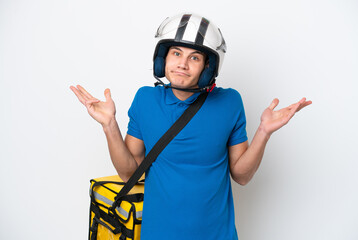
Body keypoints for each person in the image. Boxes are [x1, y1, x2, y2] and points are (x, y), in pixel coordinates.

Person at [70, 13, 311, 240]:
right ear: (163, 59)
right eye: (176, 53)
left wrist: (263, 133)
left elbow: (242, 176)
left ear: (207, 67)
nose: (182, 64)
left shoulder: (229, 102)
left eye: (194, 57)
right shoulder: (145, 99)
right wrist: (109, 125)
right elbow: (128, 173)